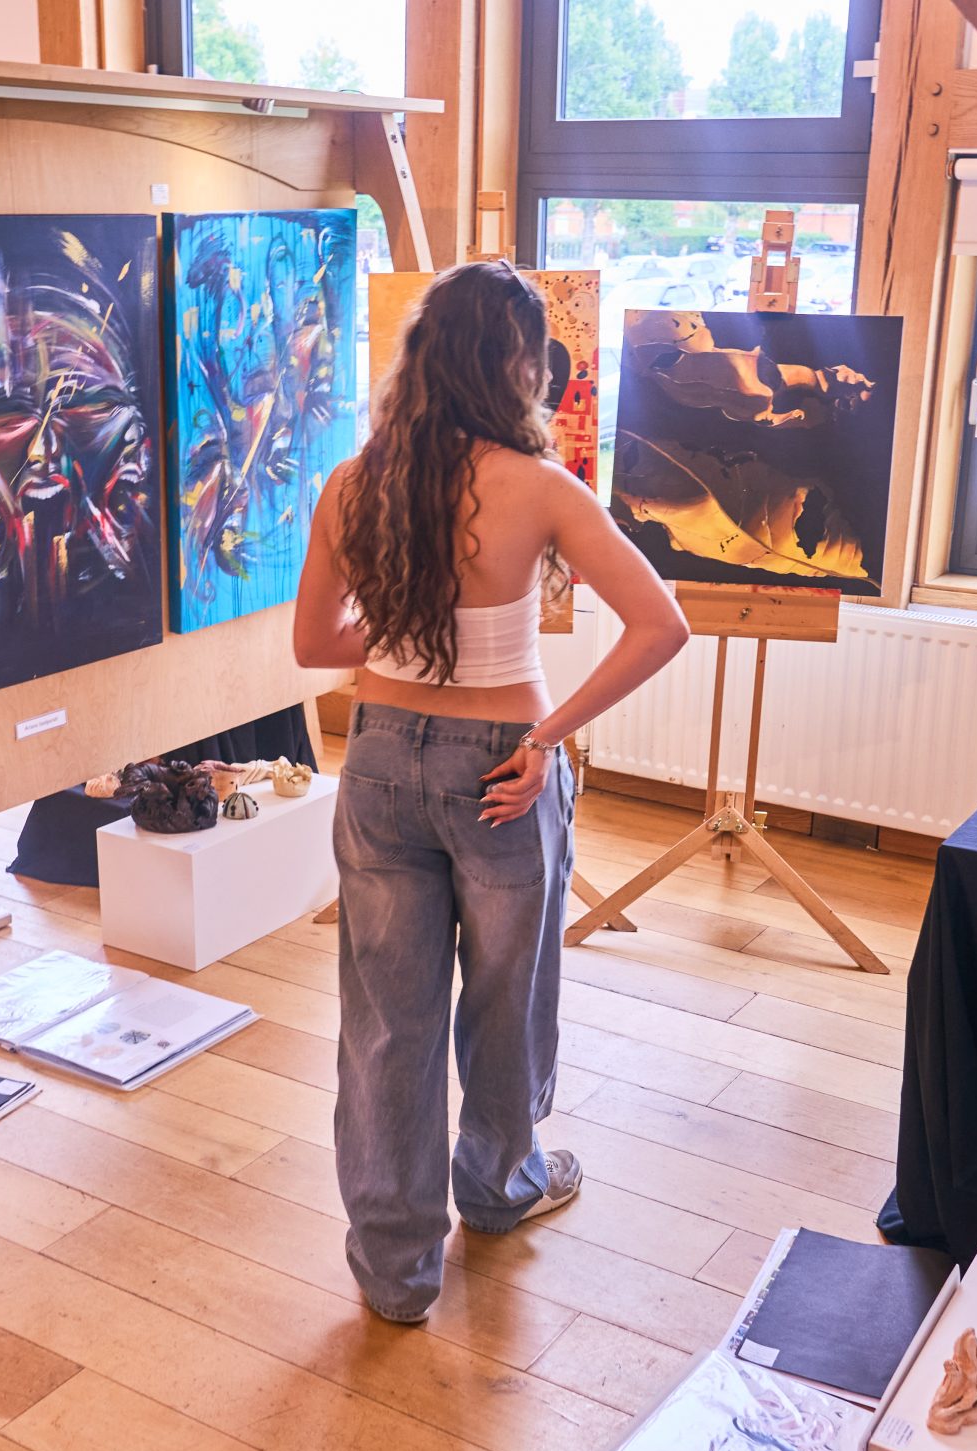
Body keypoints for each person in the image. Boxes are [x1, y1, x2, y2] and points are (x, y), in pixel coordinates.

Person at [293, 260, 690, 1324]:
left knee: (388, 1020)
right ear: (510, 366)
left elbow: (313, 646)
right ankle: (500, 1187)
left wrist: (406, 624)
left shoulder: (352, 484)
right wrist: (549, 735)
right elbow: (662, 626)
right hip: (503, 767)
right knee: (508, 998)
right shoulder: (541, 488)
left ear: (422, 358)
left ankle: (394, 1272)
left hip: (379, 758)